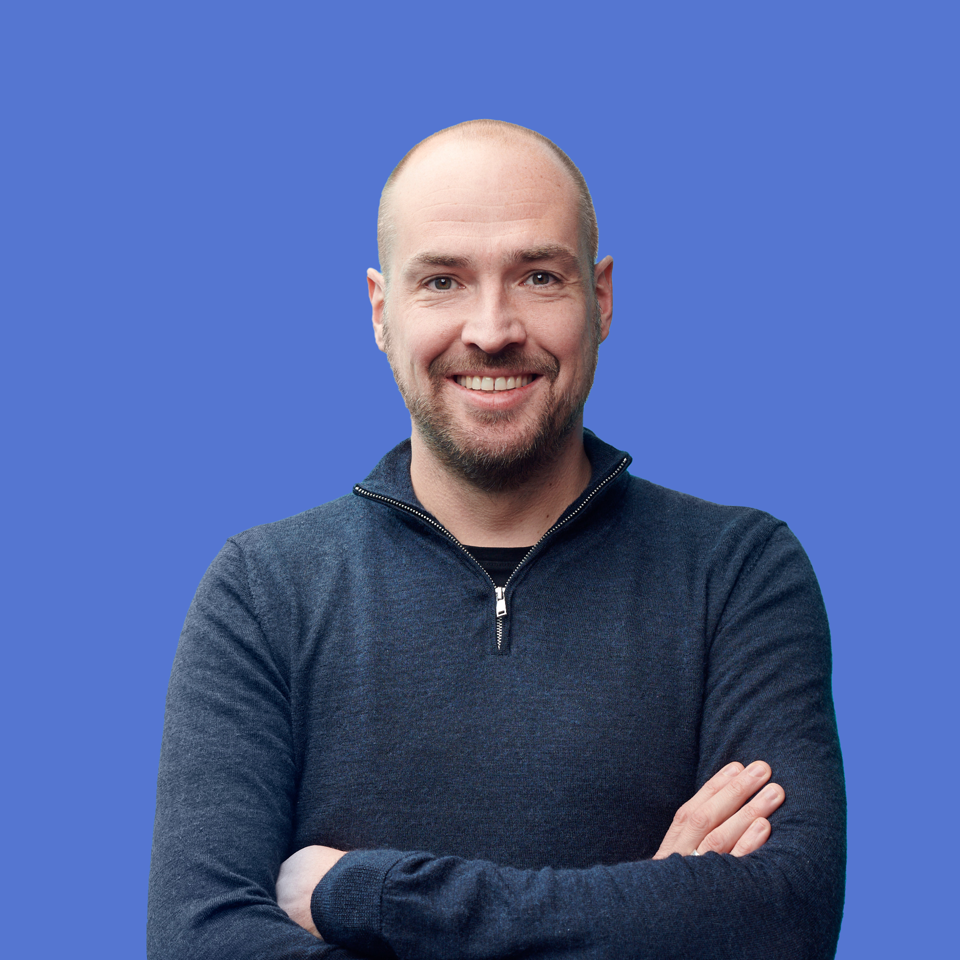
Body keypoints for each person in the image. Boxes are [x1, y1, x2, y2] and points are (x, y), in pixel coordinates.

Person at [148, 120, 845, 959]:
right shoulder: (262, 591)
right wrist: (651, 914)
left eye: (539, 276)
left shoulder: (738, 574)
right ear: (381, 311)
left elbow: (781, 920)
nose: (491, 329)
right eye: (442, 281)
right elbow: (199, 941)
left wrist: (369, 894)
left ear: (601, 298)